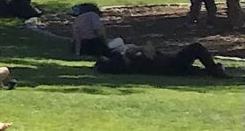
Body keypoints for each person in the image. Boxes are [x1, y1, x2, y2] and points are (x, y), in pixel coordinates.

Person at [96, 40, 227, 78]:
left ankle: (213, 70)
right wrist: (139, 47)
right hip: (171, 66)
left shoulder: (132, 63)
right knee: (196, 47)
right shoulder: (135, 61)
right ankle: (215, 71)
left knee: (197, 72)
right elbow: (151, 53)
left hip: (170, 66)